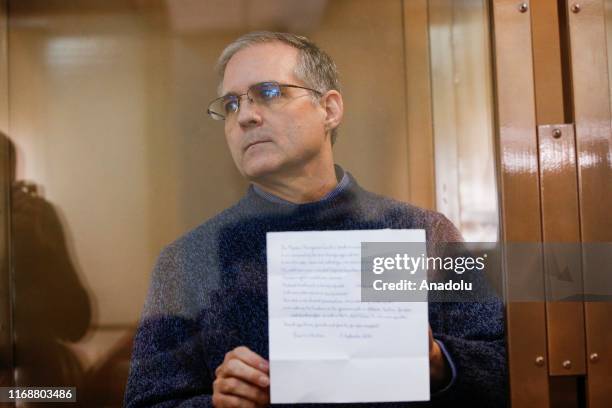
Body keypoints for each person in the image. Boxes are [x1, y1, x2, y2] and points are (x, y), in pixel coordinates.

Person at [124, 31, 507, 408]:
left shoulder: (421, 233)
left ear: (329, 109)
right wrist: (219, 404)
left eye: (269, 93)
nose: (245, 117)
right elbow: (148, 401)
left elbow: (503, 369)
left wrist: (438, 363)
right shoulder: (189, 260)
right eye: (230, 104)